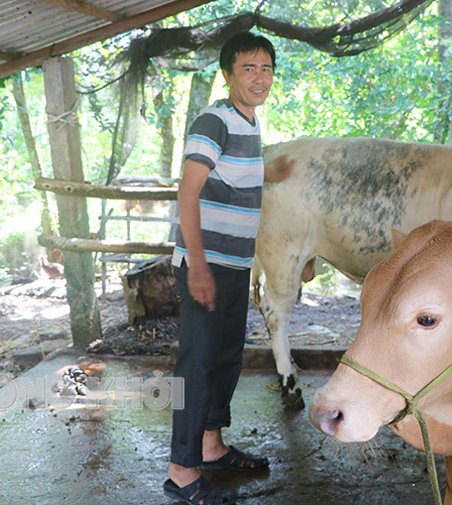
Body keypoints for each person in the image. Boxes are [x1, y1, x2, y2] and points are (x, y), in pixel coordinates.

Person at [163, 32, 277, 505]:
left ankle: (211, 447)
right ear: (227, 75)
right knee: (195, 364)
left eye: (267, 69)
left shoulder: (248, 124)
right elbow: (188, 191)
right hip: (204, 262)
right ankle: (181, 471)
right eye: (248, 68)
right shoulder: (214, 120)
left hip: (233, 265)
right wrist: (198, 266)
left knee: (226, 357)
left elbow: (235, 182)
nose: (259, 77)